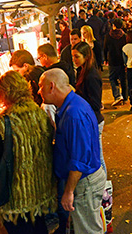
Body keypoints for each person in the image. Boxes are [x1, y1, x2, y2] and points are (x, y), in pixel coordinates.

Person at [0, 71, 57, 233]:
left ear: (5, 94)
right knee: (39, 228)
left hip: (16, 196)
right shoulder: (39, 113)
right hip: (40, 190)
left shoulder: (1, 122)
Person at [38, 69, 106, 234]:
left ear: (52, 86)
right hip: (83, 181)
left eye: (41, 86)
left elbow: (79, 160)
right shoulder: (70, 106)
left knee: (88, 230)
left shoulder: (73, 114)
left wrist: (68, 192)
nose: (39, 91)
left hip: (84, 183)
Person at [72, 42, 106, 172]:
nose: (74, 60)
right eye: (73, 56)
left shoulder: (91, 75)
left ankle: (104, 186)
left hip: (94, 121)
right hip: (89, 120)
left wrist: (76, 98)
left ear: (86, 57)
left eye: (77, 56)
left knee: (98, 156)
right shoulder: (82, 71)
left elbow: (96, 104)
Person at [104, 18, 127, 106]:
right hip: (122, 60)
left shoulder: (108, 36)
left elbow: (105, 48)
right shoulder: (124, 36)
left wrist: (105, 59)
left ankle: (117, 95)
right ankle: (125, 97)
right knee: (123, 80)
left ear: (113, 26)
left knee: (113, 78)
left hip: (112, 60)